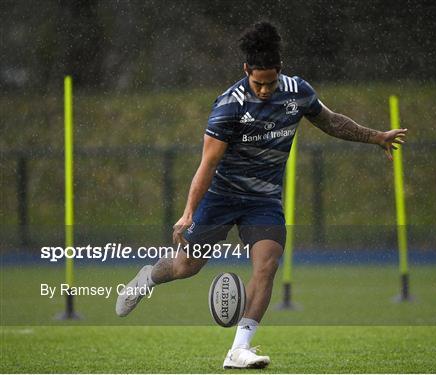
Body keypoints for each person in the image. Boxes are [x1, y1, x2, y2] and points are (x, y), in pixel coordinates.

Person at [116, 21, 407, 369]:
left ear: (280, 71)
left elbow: (331, 122)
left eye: (270, 82)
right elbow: (207, 165)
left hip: (264, 200)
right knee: (185, 266)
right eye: (258, 83)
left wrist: (376, 137)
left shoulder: (297, 92)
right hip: (221, 196)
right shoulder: (229, 105)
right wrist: (189, 212)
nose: (265, 90)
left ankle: (239, 348)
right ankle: (146, 278)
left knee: (267, 265)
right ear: (245, 71)